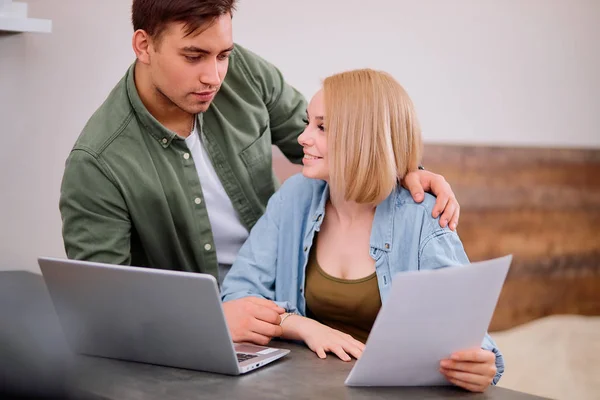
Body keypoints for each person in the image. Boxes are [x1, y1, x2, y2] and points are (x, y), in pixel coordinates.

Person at [59, 0, 460, 349]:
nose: (214, 76)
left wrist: (404, 175)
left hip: (282, 310)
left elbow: (339, 141)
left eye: (223, 55)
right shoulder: (97, 163)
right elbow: (105, 314)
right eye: (194, 56)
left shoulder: (244, 74)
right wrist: (212, 322)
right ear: (143, 45)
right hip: (187, 339)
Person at [221, 69, 504, 392]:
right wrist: (303, 327)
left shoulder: (423, 215)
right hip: (301, 386)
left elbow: (466, 331)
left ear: (363, 138)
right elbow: (238, 297)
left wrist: (480, 364)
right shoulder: (294, 197)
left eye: (322, 127)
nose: (303, 138)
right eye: (307, 123)